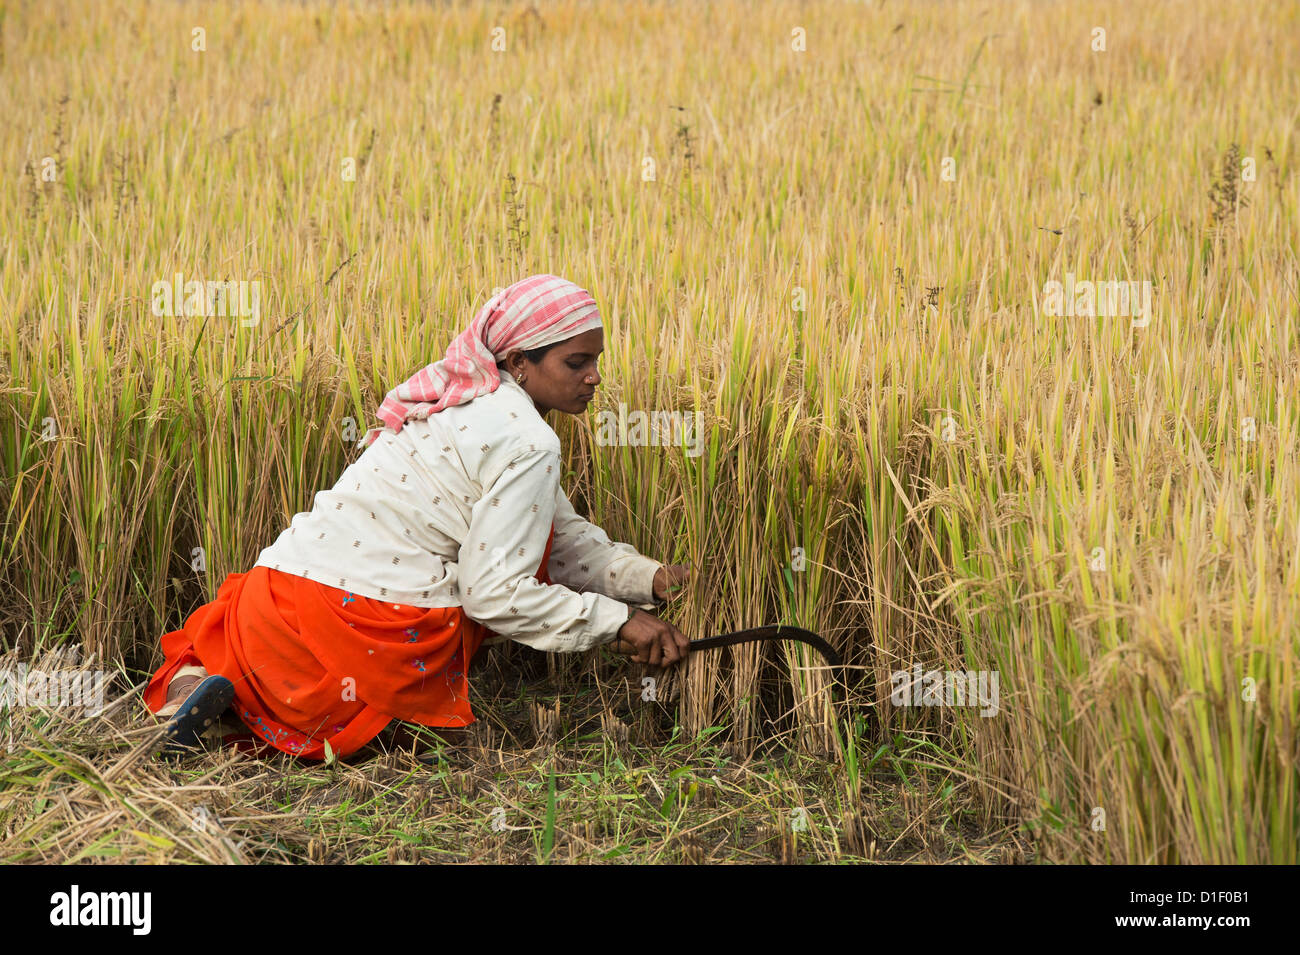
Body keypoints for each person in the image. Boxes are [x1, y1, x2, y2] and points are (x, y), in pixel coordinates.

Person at [144, 274, 692, 758]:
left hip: (277, 597)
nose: (594, 377)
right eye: (577, 362)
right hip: (363, 624)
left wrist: (649, 580)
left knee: (226, 649)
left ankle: (191, 692)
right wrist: (615, 620)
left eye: (596, 360)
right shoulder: (531, 441)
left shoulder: (460, 403)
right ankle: (324, 719)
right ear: (520, 362)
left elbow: (558, 534)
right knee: (425, 736)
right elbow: (494, 593)